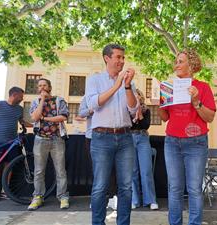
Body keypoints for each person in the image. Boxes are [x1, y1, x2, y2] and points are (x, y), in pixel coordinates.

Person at [158, 49, 216, 225]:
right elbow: (165, 118)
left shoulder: (203, 87)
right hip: (172, 142)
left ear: (191, 66)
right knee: (174, 188)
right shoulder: (169, 88)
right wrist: (160, 104)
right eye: (176, 61)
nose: (176, 64)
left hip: (196, 143)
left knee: (194, 189)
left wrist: (196, 101)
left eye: (180, 61)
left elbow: (210, 117)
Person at [85, 43, 138, 225]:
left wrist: (128, 86)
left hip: (125, 138)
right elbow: (93, 104)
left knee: (126, 187)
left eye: (123, 58)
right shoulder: (95, 80)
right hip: (101, 138)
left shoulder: (128, 82)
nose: (122, 61)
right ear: (107, 58)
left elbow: (133, 109)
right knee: (100, 186)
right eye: (118, 57)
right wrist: (117, 85)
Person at [28, 78, 70, 210]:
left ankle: (63, 196)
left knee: (60, 170)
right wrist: (42, 101)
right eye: (40, 86)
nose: (42, 88)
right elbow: (34, 118)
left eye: (44, 85)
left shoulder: (59, 100)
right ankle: (38, 197)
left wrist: (45, 118)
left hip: (57, 139)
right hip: (40, 139)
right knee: (39, 171)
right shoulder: (35, 102)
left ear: (50, 87)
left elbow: (63, 117)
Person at [0, 87, 29, 198]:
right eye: (21, 96)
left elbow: (22, 121)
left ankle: (5, 190)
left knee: (9, 166)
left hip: (12, 142)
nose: (22, 98)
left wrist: (35, 125)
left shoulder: (19, 109)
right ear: (14, 95)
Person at [131, 89, 158, 210]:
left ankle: (150, 200)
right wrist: (133, 112)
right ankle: (134, 200)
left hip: (142, 137)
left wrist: (139, 113)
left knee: (146, 170)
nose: (135, 98)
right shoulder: (127, 110)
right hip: (129, 138)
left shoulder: (146, 110)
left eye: (137, 96)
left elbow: (145, 125)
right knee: (133, 172)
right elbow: (128, 125)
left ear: (140, 97)